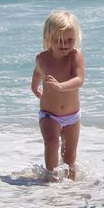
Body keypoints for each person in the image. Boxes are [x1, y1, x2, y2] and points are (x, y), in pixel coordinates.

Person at [31, 10, 85, 180]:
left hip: (72, 117)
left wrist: (61, 86)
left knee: (69, 157)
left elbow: (79, 79)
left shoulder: (75, 57)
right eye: (58, 41)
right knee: (51, 142)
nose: (64, 45)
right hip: (49, 115)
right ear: (48, 39)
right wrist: (34, 88)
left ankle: (70, 191)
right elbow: (37, 74)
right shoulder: (42, 59)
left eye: (69, 40)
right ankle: (51, 180)